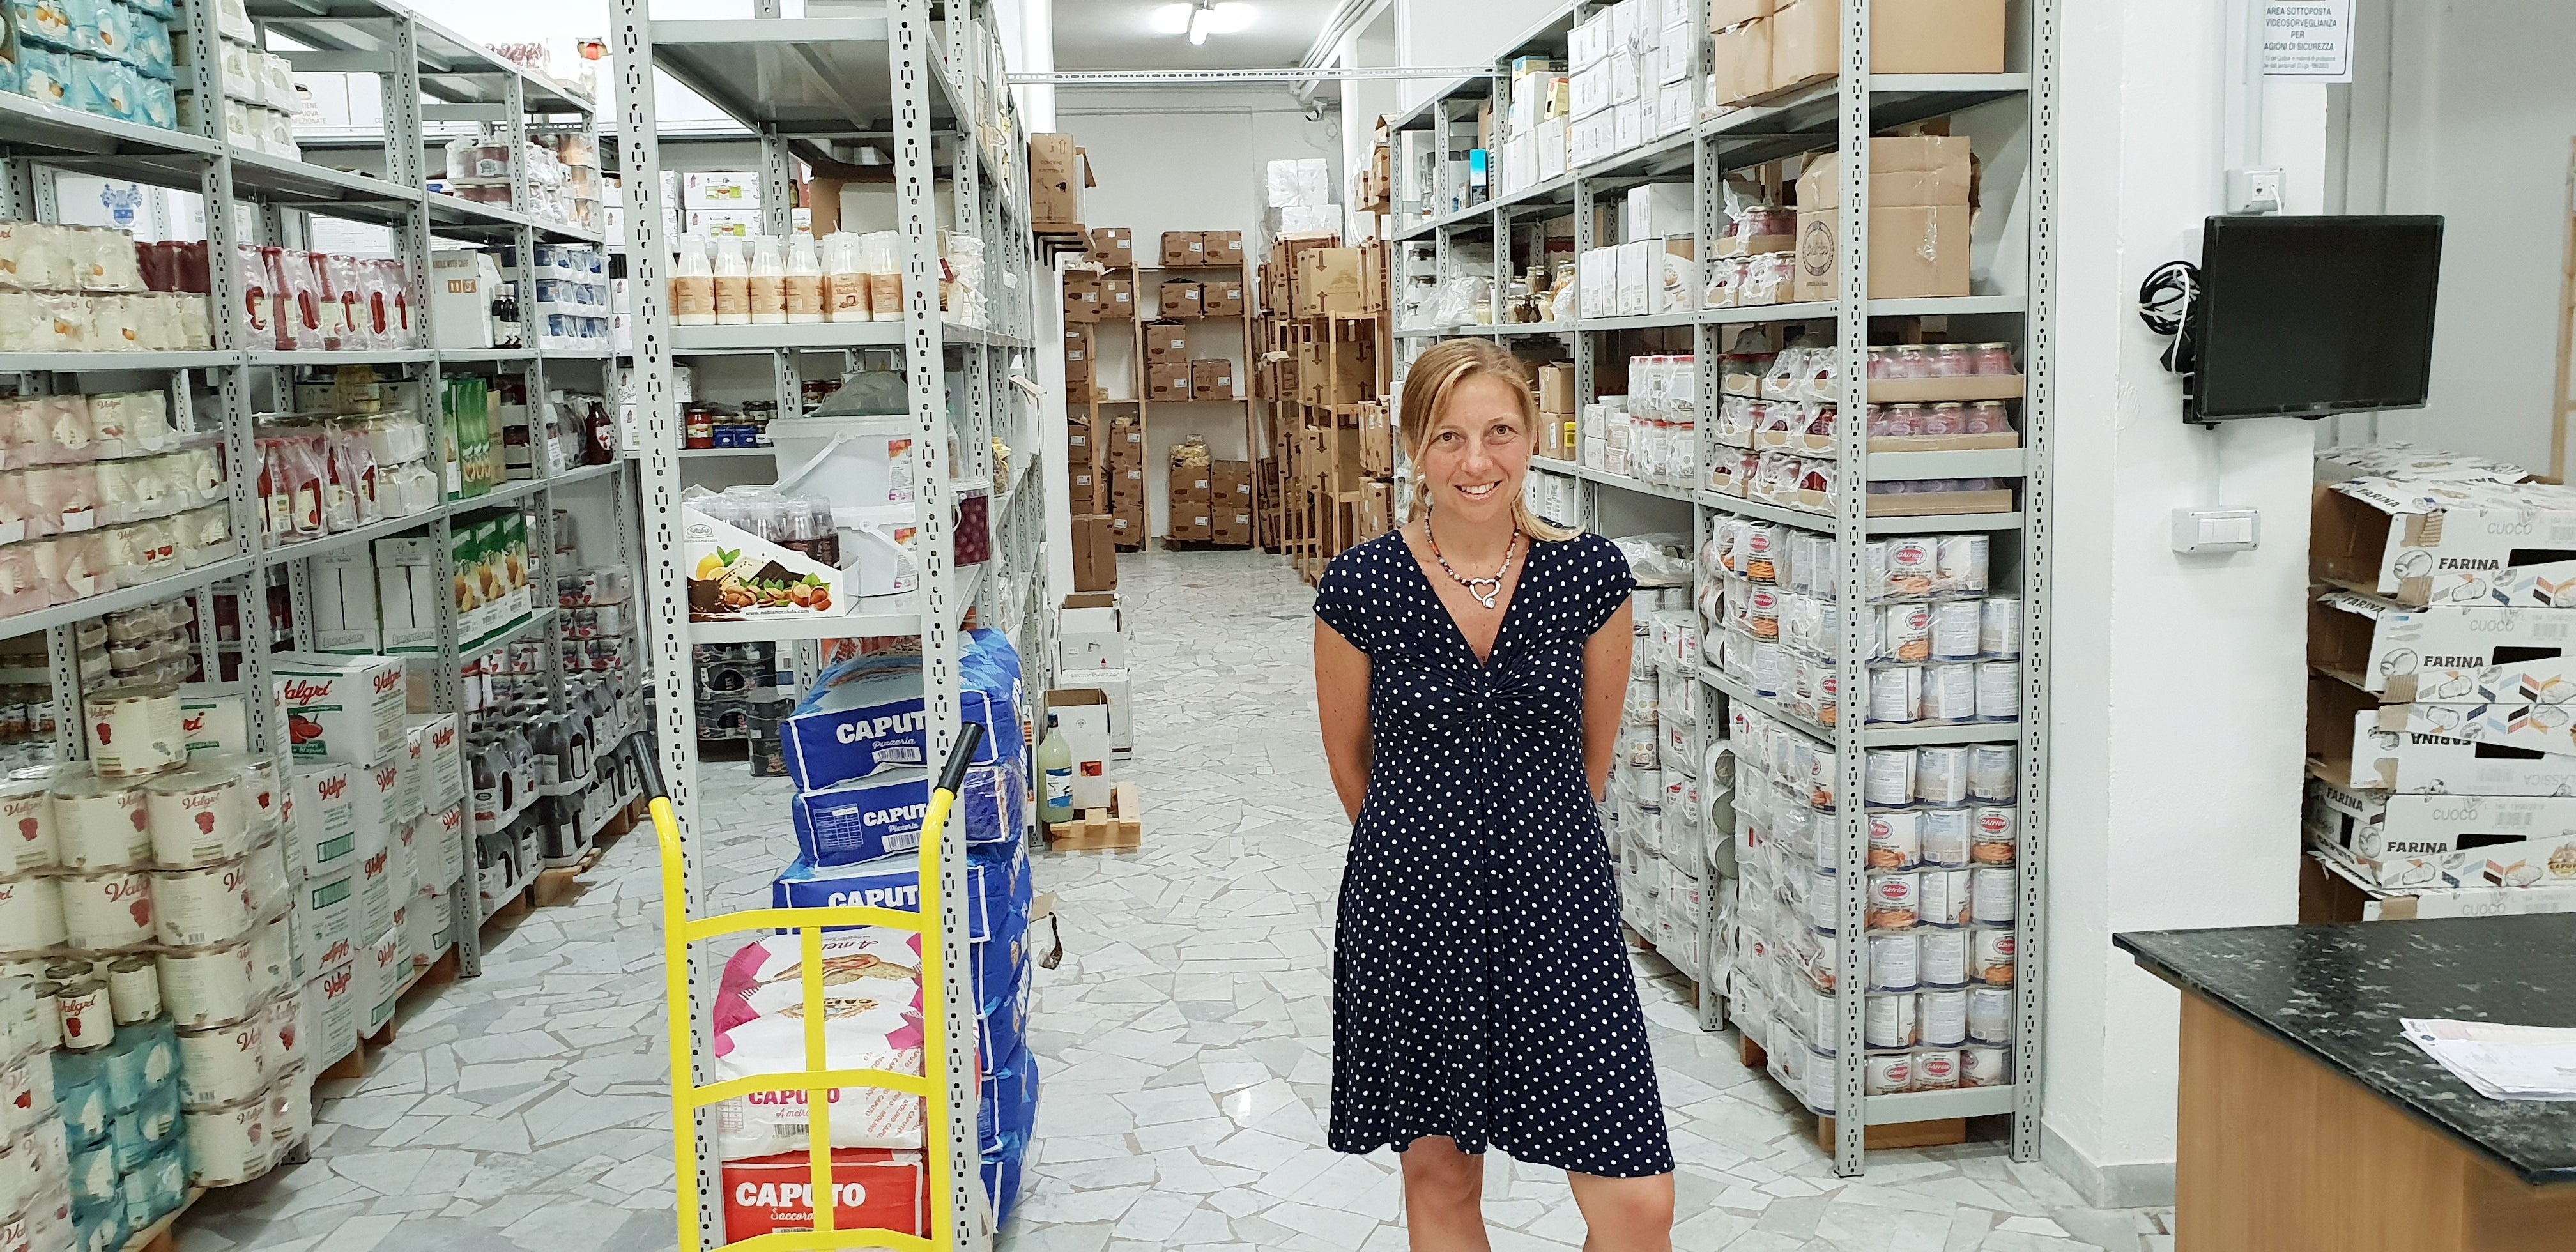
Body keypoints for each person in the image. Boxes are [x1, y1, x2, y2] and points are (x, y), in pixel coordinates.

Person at [1312, 338, 1673, 1251]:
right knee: (1439, 1174)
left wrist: (1523, 845)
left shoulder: (1589, 577)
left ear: (1533, 437)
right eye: (1448, 437)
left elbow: (1590, 762)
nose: (1476, 462)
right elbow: (1354, 766)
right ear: (1412, 448)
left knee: (1638, 1204)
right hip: (1415, 910)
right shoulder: (1360, 587)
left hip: (1556, 904)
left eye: (1500, 432)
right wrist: (1439, 850)